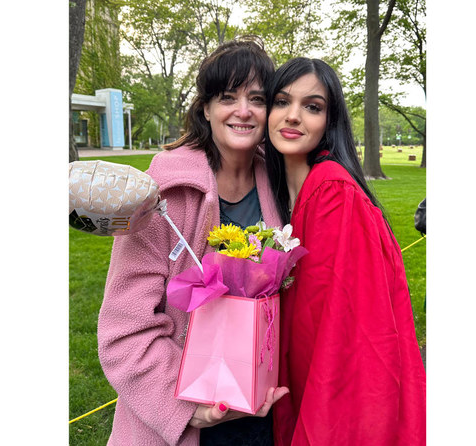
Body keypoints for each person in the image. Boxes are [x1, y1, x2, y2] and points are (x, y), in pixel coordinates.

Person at [97, 37, 289, 446]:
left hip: (263, 418)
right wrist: (188, 408)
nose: (243, 111)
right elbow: (125, 329)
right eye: (227, 97)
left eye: (256, 98)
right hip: (184, 425)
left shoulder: (280, 186)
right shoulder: (162, 195)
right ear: (205, 107)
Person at [264, 58, 426, 445]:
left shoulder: (334, 194)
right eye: (282, 101)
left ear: (329, 121)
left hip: (338, 404)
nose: (293, 116)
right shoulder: (289, 195)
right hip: (298, 382)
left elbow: (351, 335)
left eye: (313, 107)